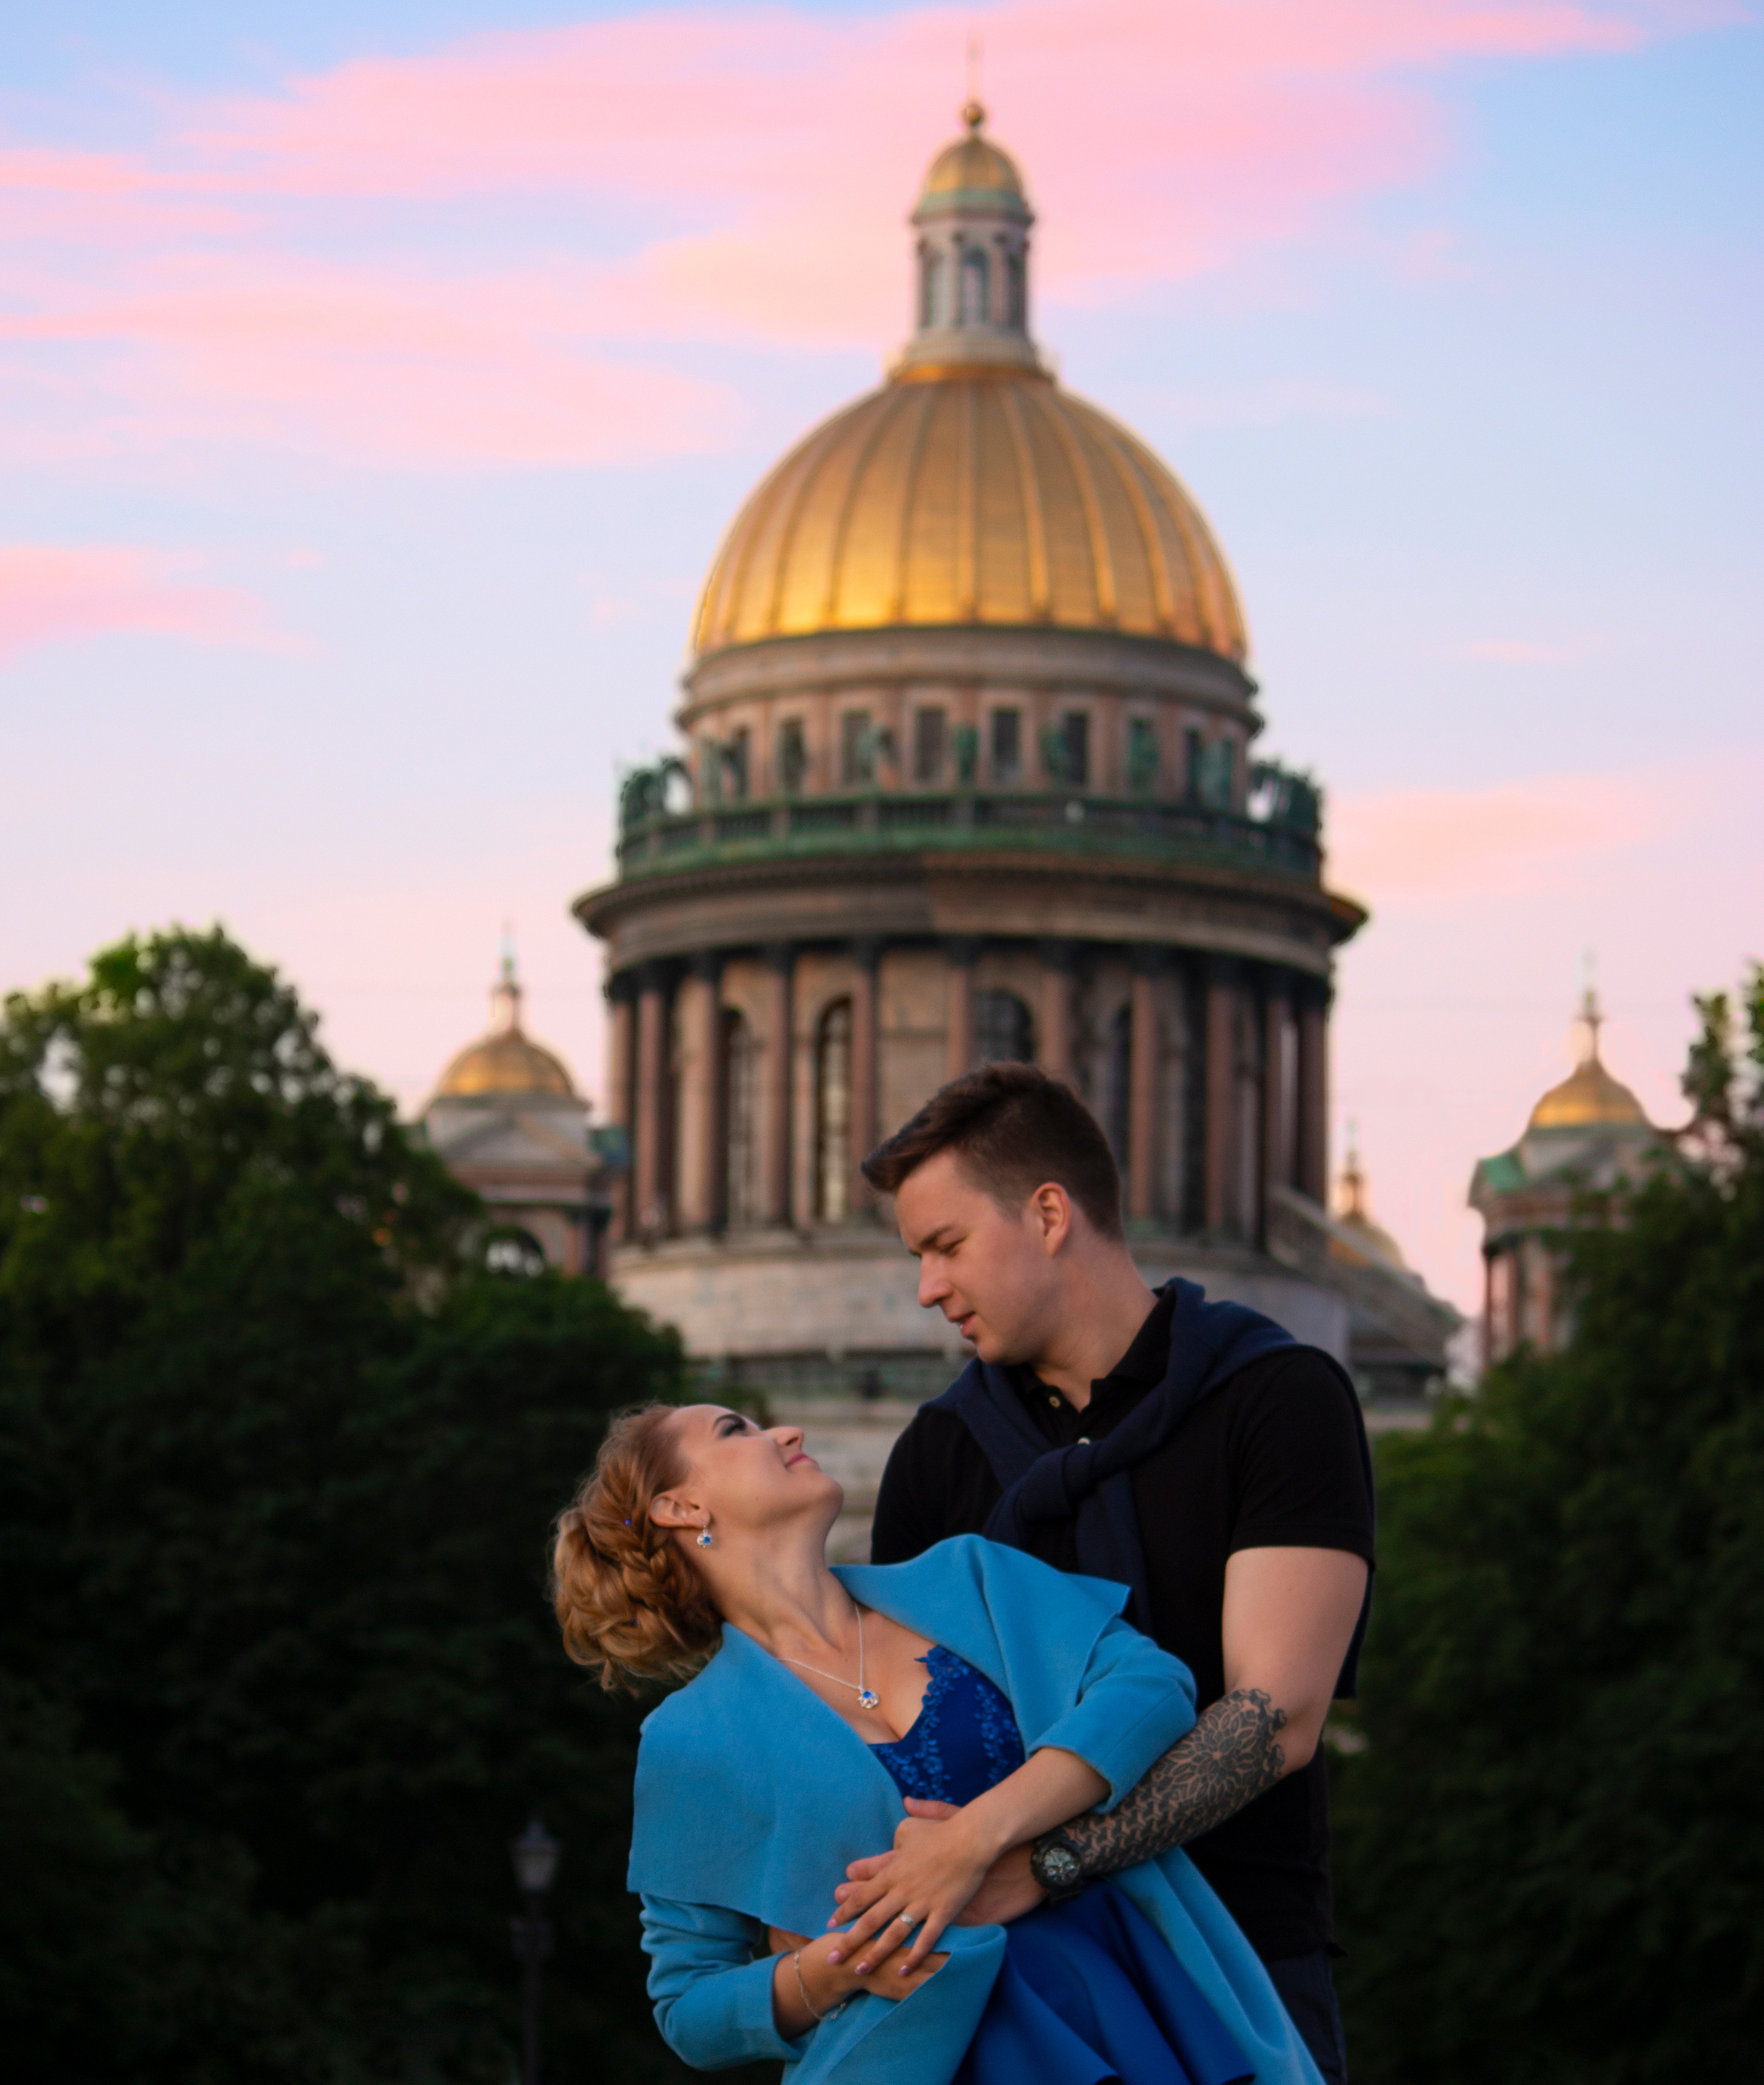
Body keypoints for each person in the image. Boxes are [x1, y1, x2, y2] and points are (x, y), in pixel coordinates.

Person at [841, 1064, 1374, 2084]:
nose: (927, 1289)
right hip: (1011, 1979)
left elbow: (1272, 1719)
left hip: (1237, 1958)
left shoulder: (1277, 1400)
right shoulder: (937, 1454)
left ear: (1049, 1214)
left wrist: (1039, 1862)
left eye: (946, 1246)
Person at [553, 1401, 1326, 2085]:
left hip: (1131, 1995)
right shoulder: (689, 1739)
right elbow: (690, 2006)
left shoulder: (970, 1574)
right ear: (678, 1506)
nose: (786, 1430)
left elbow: (1151, 1688)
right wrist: (838, 1963)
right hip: (928, 2051)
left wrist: (971, 1842)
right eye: (737, 1429)